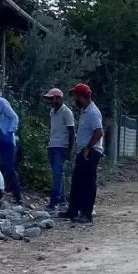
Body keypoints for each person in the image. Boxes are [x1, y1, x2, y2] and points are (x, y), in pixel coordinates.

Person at [62, 83, 104, 224]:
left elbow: (99, 132)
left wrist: (87, 148)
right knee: (77, 182)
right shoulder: (85, 111)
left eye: (75, 96)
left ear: (82, 96)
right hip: (85, 151)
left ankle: (86, 214)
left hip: (90, 152)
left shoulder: (92, 112)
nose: (74, 99)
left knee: (87, 183)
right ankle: (73, 211)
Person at [44, 87, 76, 211]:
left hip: (61, 146)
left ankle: (55, 201)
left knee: (58, 174)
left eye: (52, 98)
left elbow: (71, 131)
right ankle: (62, 199)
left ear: (59, 98)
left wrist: (69, 149)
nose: (51, 101)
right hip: (53, 145)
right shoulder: (52, 112)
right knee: (57, 173)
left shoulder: (66, 112)